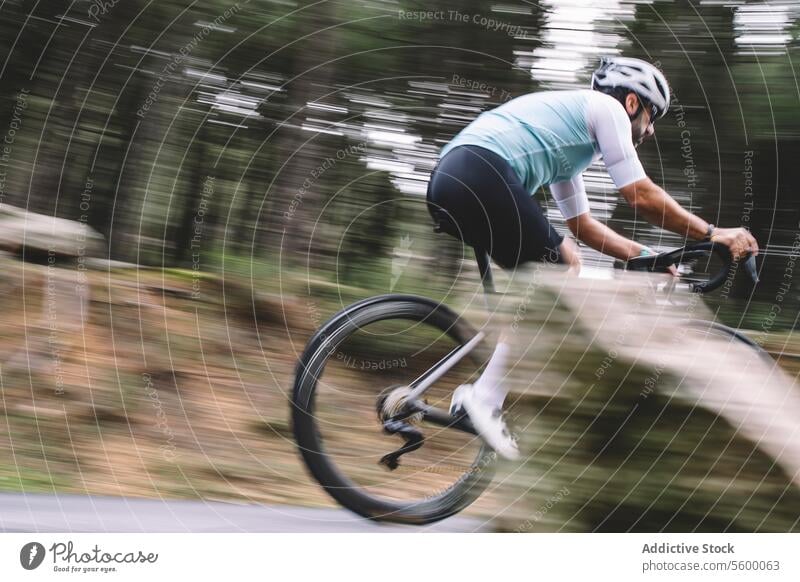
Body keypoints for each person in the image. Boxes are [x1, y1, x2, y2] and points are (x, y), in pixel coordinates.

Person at [426, 56, 759, 460]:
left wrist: (647, 256)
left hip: (452, 180)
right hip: (479, 171)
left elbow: (583, 226)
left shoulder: (572, 144)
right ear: (632, 104)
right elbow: (639, 193)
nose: (650, 131)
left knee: (552, 276)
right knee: (564, 268)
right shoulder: (606, 110)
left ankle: (478, 394)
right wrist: (713, 232)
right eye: (653, 116)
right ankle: (485, 398)